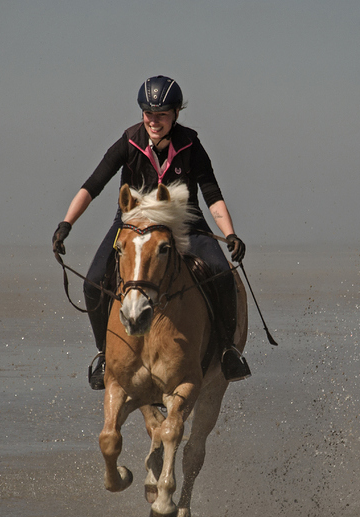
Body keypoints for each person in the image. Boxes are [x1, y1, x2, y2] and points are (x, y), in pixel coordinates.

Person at [51, 75, 251, 389]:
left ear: (175, 115)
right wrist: (66, 225)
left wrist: (230, 235)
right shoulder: (128, 142)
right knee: (91, 284)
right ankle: (104, 355)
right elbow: (93, 185)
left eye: (161, 115)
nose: (153, 121)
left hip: (187, 224)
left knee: (221, 272)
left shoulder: (191, 145)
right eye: (148, 114)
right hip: (131, 224)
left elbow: (212, 194)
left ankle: (227, 349)